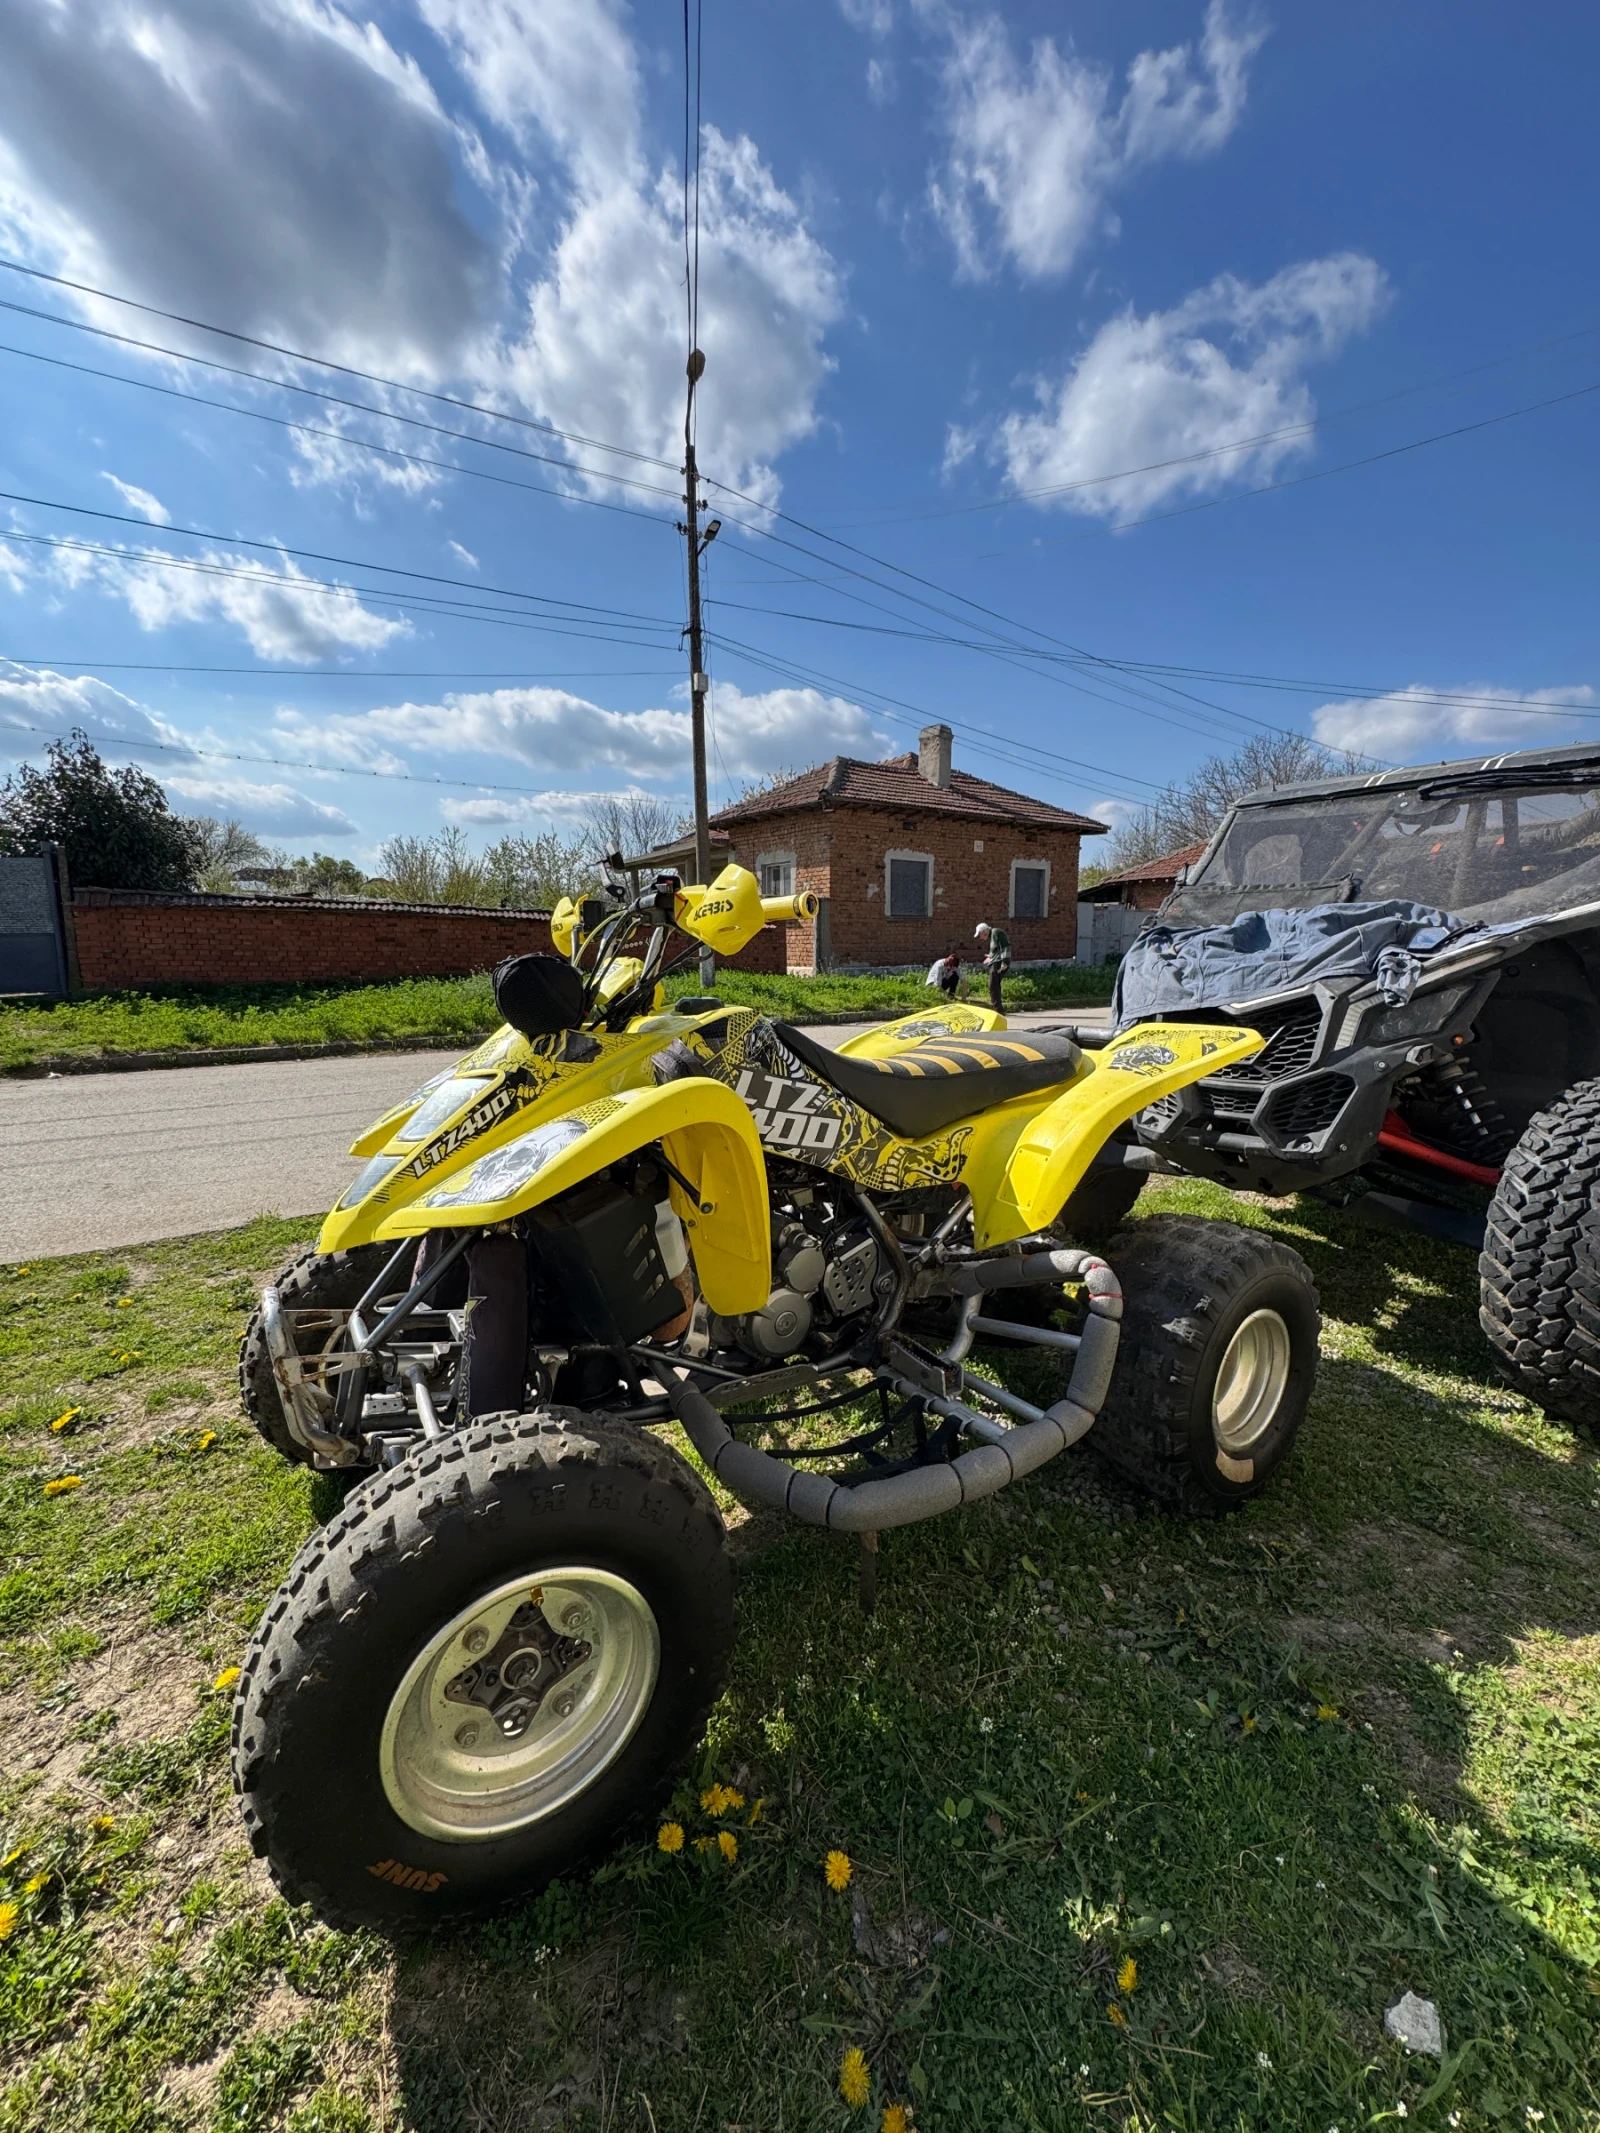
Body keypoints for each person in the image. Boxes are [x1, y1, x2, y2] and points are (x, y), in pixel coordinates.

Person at [974, 920, 1010, 1010]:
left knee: (993, 985)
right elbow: (996, 950)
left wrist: (1004, 962)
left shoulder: (996, 932)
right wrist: (990, 957)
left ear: (984, 932)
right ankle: (998, 1007)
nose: (980, 938)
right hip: (995, 962)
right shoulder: (992, 936)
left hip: (999, 963)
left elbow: (1005, 947)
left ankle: (998, 1009)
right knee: (994, 985)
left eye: (980, 935)